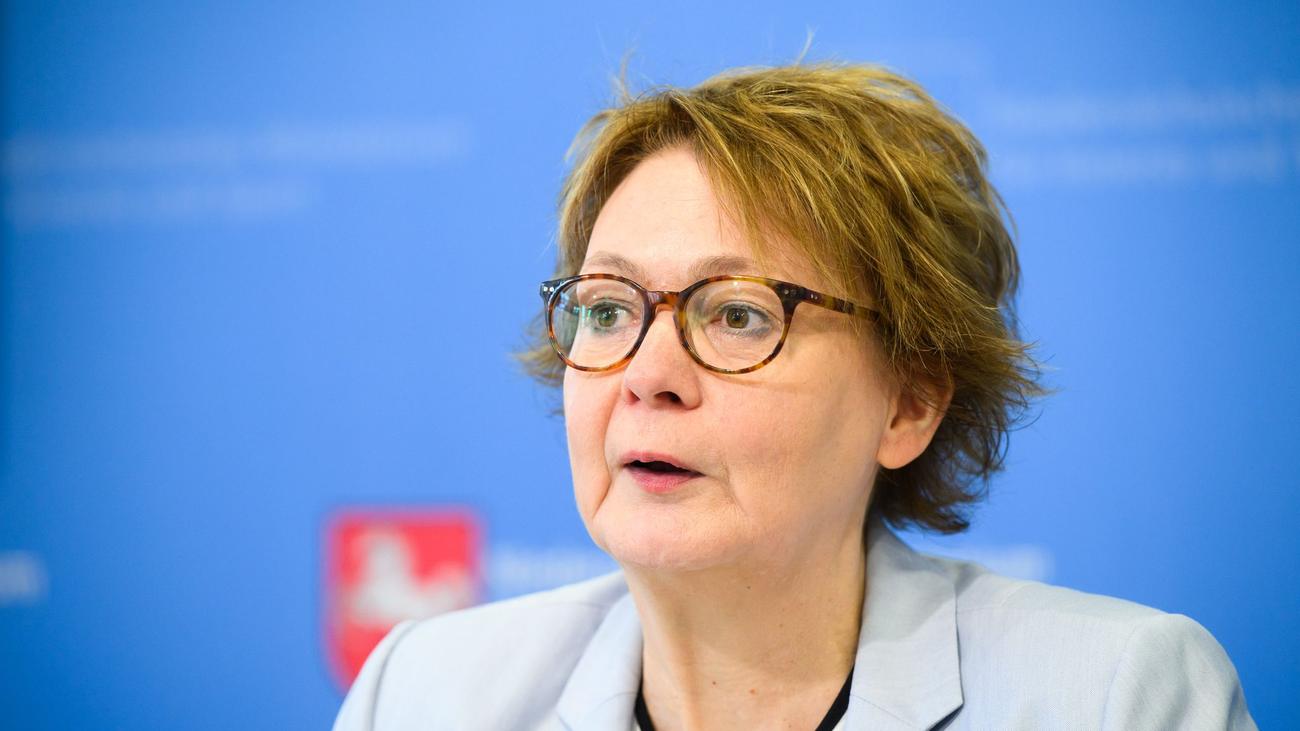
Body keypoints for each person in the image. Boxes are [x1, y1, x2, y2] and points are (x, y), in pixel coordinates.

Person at [334, 63, 1255, 730]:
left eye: (737, 314)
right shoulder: (424, 695)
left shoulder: (1113, 696)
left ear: (909, 404)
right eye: (608, 308)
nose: (648, 373)